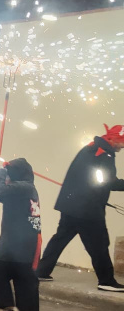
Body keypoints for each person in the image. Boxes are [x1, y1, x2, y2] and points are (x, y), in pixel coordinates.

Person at [37, 124, 124, 291]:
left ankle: (41, 271)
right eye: (122, 141)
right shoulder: (103, 154)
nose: (123, 145)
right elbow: (106, 182)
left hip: (71, 204)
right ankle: (106, 281)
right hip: (86, 209)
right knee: (99, 243)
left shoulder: (90, 148)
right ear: (112, 138)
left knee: (60, 238)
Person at [0, 158, 42, 311]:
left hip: (18, 239)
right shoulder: (26, 188)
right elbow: (8, 197)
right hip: (21, 238)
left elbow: (4, 190)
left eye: (10, 175)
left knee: (4, 270)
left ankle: (12, 308)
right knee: (21, 275)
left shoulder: (24, 186)